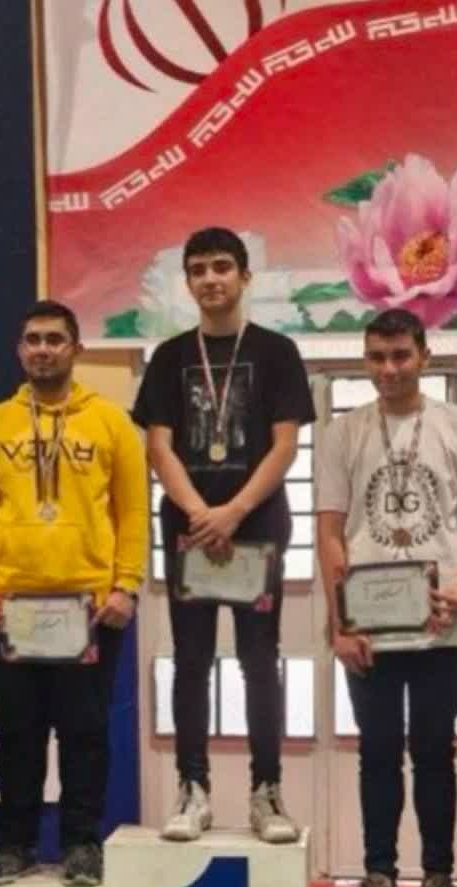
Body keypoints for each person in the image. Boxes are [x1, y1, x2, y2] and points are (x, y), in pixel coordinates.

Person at [132, 227, 315, 842]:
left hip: (255, 526)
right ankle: (193, 787)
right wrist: (199, 512)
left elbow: (285, 446)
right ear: (187, 283)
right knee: (190, 660)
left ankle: (267, 791)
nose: (210, 279)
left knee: (260, 661)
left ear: (244, 276)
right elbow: (159, 447)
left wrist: (233, 511)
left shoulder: (277, 352)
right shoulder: (169, 357)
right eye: (199, 270)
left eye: (221, 267)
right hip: (190, 530)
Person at [317, 308, 457, 887]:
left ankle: (439, 881)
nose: (388, 369)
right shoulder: (341, 433)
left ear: (424, 355)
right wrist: (340, 623)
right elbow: (330, 530)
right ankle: (379, 879)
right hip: (369, 623)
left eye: (400, 356)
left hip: (439, 619)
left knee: (435, 752)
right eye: (377, 357)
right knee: (377, 752)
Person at [0, 300, 147, 887]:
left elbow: (133, 512)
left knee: (84, 732)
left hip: (90, 609)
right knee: (19, 731)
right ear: (20, 351)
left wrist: (126, 585)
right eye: (33, 340)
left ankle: (81, 844)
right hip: (11, 610)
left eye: (54, 340)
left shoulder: (111, 422)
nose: (43, 350)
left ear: (76, 349)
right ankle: (14, 844)